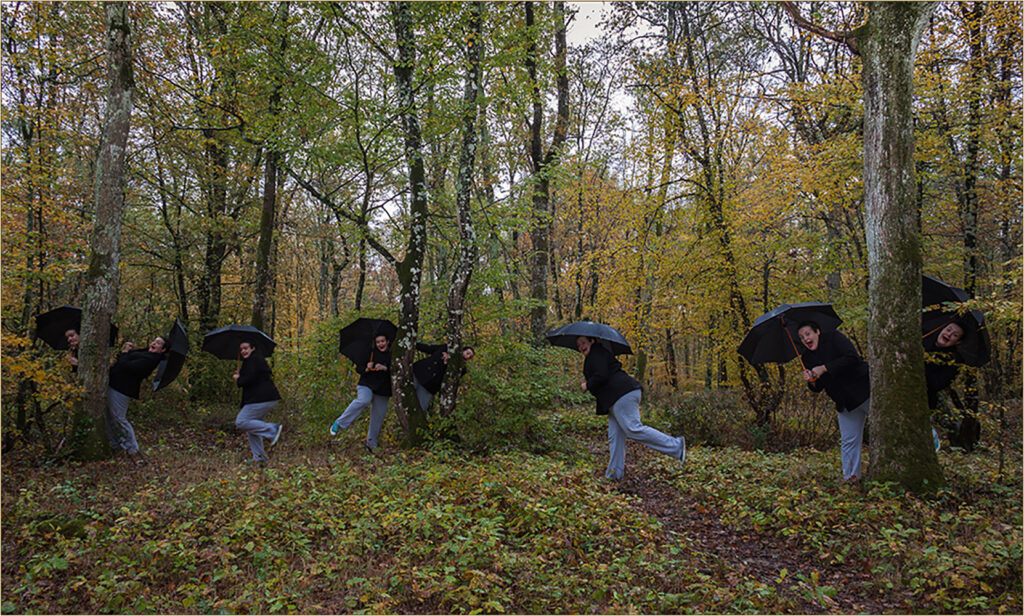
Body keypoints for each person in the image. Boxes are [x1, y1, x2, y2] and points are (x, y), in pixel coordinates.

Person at [576, 336, 686, 480]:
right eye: (579, 345)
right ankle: (614, 475)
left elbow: (601, 375)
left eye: (583, 342)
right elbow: (601, 375)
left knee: (633, 428)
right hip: (617, 397)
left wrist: (587, 385)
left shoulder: (596, 352)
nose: (581, 346)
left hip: (622, 394)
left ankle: (676, 446)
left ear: (592, 341)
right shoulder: (596, 355)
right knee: (615, 436)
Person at [797, 321, 870, 483]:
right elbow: (818, 387)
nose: (806, 339)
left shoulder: (834, 338)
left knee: (888, 425)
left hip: (864, 391)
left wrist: (825, 367)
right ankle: (851, 478)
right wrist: (812, 380)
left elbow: (852, 358)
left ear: (817, 332)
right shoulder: (806, 358)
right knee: (848, 440)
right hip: (844, 402)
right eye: (802, 337)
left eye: (808, 334)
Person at [107, 336, 168, 462]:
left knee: (118, 418)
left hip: (122, 389)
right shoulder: (145, 352)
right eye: (154, 341)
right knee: (109, 417)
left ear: (162, 350)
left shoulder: (151, 360)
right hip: (114, 384)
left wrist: (124, 353)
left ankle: (133, 449)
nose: (154, 343)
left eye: (158, 343)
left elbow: (127, 366)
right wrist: (128, 350)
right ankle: (115, 445)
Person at [923, 320, 979, 451]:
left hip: (924, 399)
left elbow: (938, 384)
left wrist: (921, 369)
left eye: (955, 335)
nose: (949, 334)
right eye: (948, 330)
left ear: (958, 342)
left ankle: (932, 441)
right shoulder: (924, 337)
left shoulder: (954, 360)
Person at [330, 334, 393, 451]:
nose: (381, 344)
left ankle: (371, 446)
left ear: (388, 341)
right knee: (364, 400)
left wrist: (385, 368)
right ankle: (340, 422)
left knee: (378, 418)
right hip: (366, 384)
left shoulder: (392, 355)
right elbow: (358, 368)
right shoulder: (370, 352)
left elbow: (398, 371)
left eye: (383, 341)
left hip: (383, 389)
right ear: (375, 343)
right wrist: (366, 368)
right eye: (378, 342)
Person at [233, 341, 283, 465]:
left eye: (246, 348)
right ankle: (259, 458)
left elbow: (249, 379)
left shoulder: (254, 359)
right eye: (241, 349)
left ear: (253, 348)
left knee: (241, 421)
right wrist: (240, 375)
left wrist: (239, 379)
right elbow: (253, 377)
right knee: (252, 429)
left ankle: (273, 429)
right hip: (265, 398)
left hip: (261, 398)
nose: (243, 351)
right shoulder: (253, 360)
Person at [412, 342, 474, 412]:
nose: (468, 357)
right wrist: (413, 344)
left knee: (420, 410)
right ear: (462, 350)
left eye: (470, 357)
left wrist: (449, 362)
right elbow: (429, 348)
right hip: (418, 373)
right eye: (467, 353)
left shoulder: (462, 369)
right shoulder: (446, 348)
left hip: (429, 387)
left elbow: (451, 379)